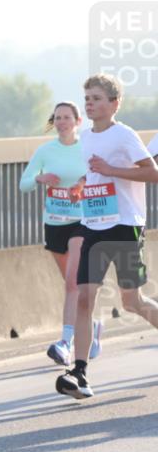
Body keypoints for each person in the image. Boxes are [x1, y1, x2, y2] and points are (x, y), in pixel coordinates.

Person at [56, 74, 158, 399]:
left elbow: (152, 172)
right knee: (85, 297)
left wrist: (113, 171)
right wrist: (81, 187)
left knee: (132, 302)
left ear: (115, 103)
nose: (90, 103)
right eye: (87, 98)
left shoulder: (124, 136)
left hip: (125, 225)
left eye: (97, 98)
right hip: (94, 225)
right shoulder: (85, 137)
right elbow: (93, 171)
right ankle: (80, 371)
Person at [19, 102, 102, 366]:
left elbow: (100, 176)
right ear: (54, 122)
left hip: (83, 221)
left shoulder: (87, 147)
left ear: (78, 122)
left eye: (67, 117)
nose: (62, 122)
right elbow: (24, 184)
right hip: (54, 222)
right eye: (58, 118)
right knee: (72, 285)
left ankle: (65, 341)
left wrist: (82, 182)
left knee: (72, 283)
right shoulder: (45, 151)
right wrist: (40, 179)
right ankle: (93, 325)